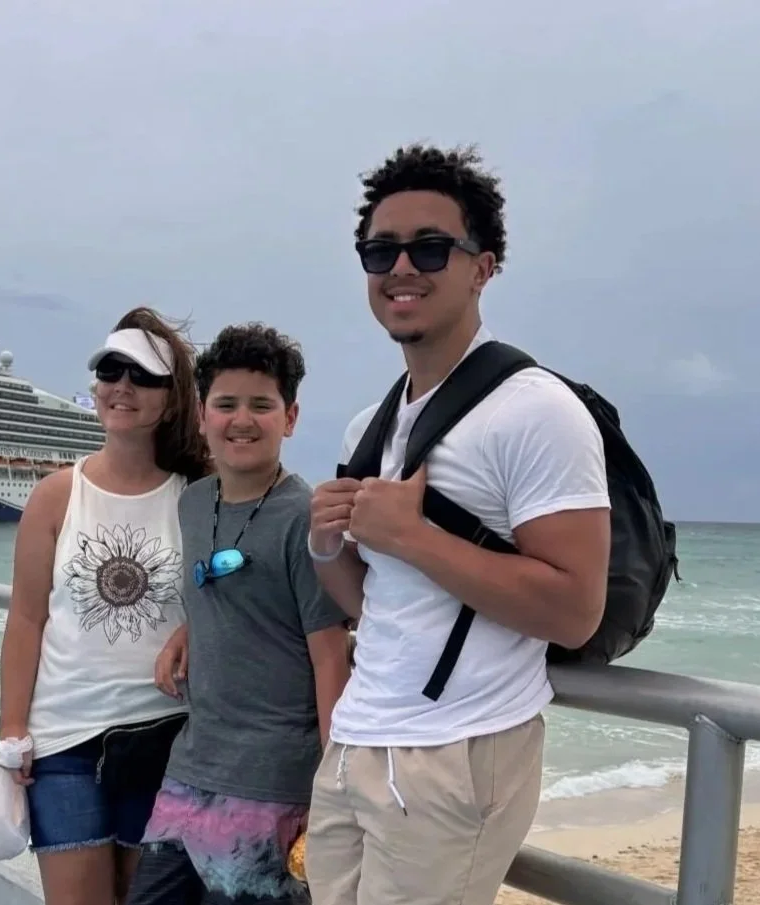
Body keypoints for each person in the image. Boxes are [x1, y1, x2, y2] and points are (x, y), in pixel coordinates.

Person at [304, 144, 612, 905]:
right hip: (356, 738)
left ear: (484, 266)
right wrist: (326, 544)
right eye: (380, 250)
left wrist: (413, 536)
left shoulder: (536, 410)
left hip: (458, 749)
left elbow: (576, 609)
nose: (401, 266)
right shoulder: (368, 428)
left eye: (431, 247)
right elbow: (366, 602)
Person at [126, 323, 351, 905]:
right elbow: (227, 597)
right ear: (202, 414)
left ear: (291, 417)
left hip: (275, 784)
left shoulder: (304, 518)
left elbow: (331, 659)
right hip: (191, 771)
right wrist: (186, 631)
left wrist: (330, 790)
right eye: (225, 404)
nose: (241, 420)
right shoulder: (194, 503)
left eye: (261, 405)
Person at [0, 306, 212, 905]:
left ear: (171, 399)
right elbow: (26, 618)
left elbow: (234, 594)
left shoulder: (196, 498)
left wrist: (195, 630)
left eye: (142, 376)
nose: (122, 386)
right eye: (110, 370)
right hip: (64, 739)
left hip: (165, 736)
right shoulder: (55, 495)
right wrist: (13, 727)